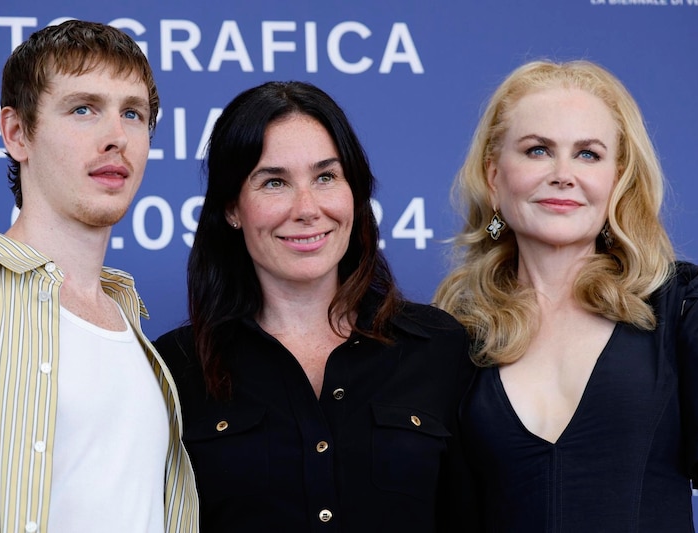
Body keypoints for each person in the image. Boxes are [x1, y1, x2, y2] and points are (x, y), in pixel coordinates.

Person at [0, 20, 198, 533]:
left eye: (133, 113)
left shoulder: (136, 331)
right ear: (17, 134)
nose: (116, 138)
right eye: (83, 109)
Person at [154, 81, 477, 532]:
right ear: (232, 208)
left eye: (326, 177)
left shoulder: (439, 348)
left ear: (354, 192)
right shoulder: (173, 371)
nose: (307, 208)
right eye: (274, 182)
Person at [434, 58, 698, 531]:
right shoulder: (453, 333)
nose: (563, 174)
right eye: (538, 151)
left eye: (588, 154)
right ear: (495, 180)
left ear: (618, 179)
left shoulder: (682, 305)